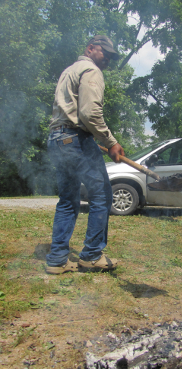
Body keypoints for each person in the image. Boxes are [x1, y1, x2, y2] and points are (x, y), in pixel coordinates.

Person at [45, 35, 125, 274]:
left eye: (111, 56)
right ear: (90, 49)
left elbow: (72, 114)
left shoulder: (69, 70)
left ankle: (57, 259)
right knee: (101, 195)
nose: (108, 59)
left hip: (59, 138)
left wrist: (84, 138)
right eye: (105, 53)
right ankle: (91, 255)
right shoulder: (91, 70)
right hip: (75, 139)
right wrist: (110, 142)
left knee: (68, 200)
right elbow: (90, 113)